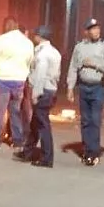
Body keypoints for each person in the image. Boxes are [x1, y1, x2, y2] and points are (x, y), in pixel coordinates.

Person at [66, 18, 104, 166]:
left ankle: (93, 152)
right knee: (85, 120)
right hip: (83, 87)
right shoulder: (80, 47)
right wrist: (70, 87)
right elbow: (73, 67)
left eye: (98, 28)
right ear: (86, 32)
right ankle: (87, 149)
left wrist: (96, 64)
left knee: (95, 120)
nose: (96, 31)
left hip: (98, 88)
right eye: (93, 29)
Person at [0, 16, 35, 152]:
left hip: (1, 80)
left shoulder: (0, 40)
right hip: (19, 81)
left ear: (6, 26)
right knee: (15, 111)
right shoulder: (27, 43)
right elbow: (30, 61)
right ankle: (18, 141)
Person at [14, 26, 62, 168]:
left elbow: (40, 75)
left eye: (35, 35)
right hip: (50, 90)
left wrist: (36, 94)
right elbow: (57, 74)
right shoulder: (54, 52)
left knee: (42, 125)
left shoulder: (42, 54)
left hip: (42, 91)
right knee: (35, 123)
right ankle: (28, 152)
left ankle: (47, 158)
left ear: (39, 37)